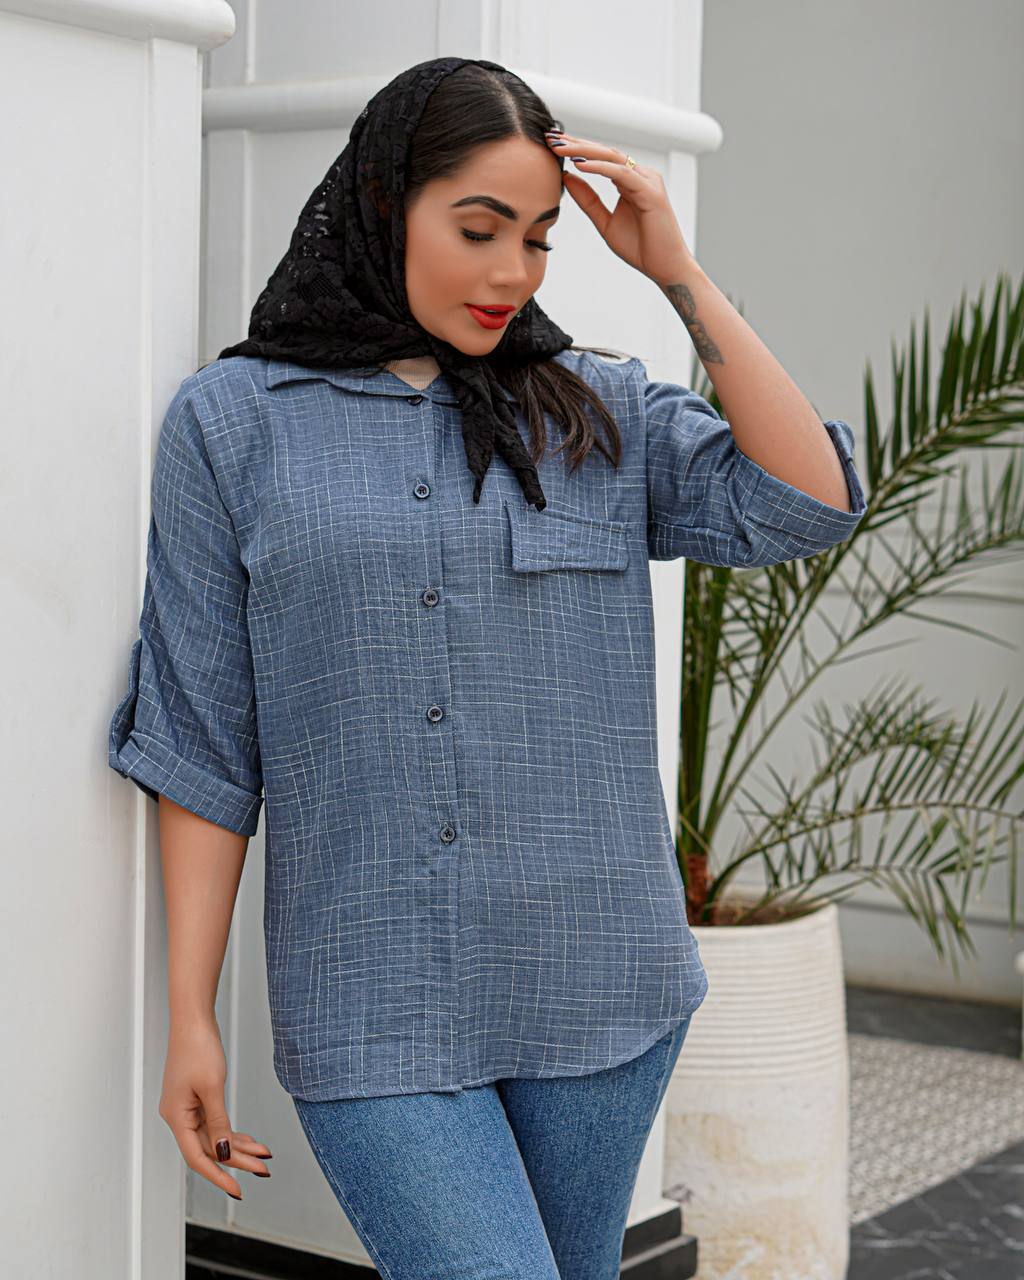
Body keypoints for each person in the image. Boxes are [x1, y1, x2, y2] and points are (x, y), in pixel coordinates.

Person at [107, 56, 866, 1280]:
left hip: (601, 990)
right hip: (372, 998)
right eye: (478, 228)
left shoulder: (595, 410)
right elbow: (202, 739)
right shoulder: (233, 420)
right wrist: (189, 1014)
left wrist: (673, 272)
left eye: (539, 237)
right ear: (383, 202)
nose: (512, 271)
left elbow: (806, 503)